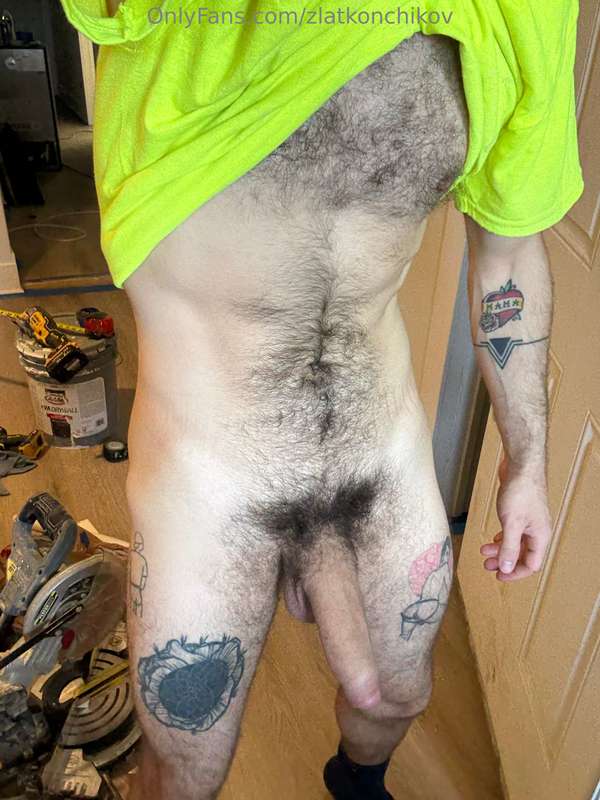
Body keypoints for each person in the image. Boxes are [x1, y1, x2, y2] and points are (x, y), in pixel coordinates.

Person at [58, 1, 584, 798]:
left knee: (396, 696)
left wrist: (529, 463)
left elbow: (508, 256)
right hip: (211, 473)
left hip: (381, 449)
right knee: (184, 769)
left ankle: (357, 784)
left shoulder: (524, 11)